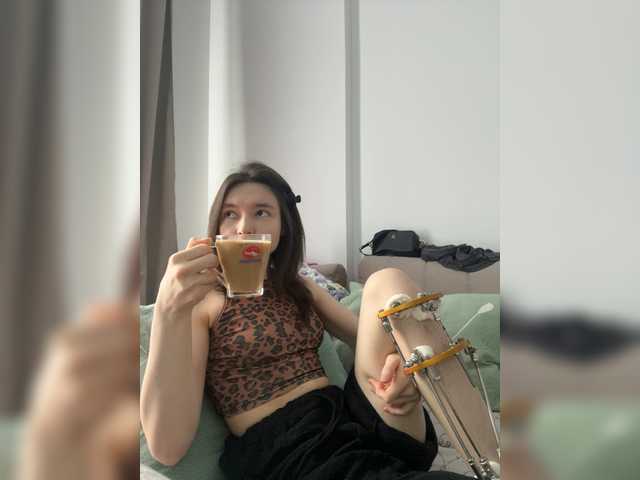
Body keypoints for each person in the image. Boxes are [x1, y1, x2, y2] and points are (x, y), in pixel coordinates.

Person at [141, 162, 471, 479]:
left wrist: (402, 368)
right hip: (292, 449)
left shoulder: (299, 286)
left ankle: (479, 444)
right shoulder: (202, 302)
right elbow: (167, 449)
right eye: (230, 214)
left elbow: (370, 339)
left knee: (388, 280)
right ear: (217, 227)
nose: (244, 228)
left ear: (282, 227)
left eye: (261, 212)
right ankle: (484, 455)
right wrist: (168, 311)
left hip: (350, 420)